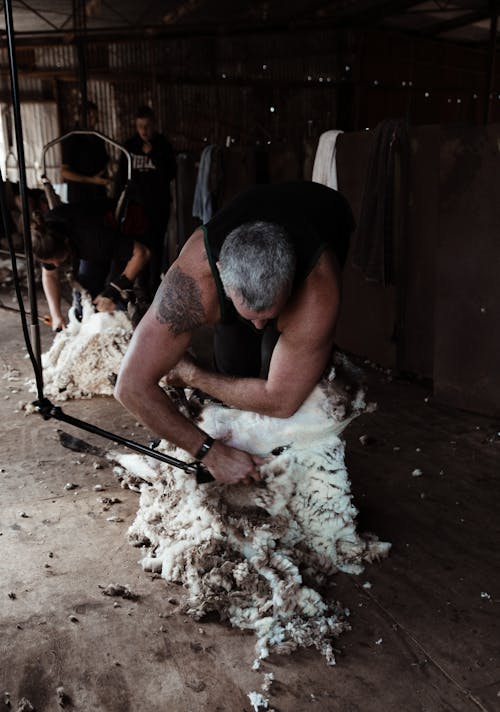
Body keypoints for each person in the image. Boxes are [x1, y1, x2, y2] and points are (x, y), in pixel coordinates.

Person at [115, 181, 355, 486]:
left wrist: (192, 374)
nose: (258, 326)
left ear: (291, 282)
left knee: (279, 381)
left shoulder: (317, 288)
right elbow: (130, 387)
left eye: (268, 316)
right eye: (250, 316)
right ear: (219, 273)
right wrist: (211, 453)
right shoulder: (191, 284)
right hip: (247, 244)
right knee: (232, 363)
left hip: (326, 214)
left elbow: (282, 400)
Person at [31, 198, 150, 331]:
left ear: (66, 243)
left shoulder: (93, 240)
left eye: (58, 259)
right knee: (84, 301)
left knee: (116, 305)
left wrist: (113, 290)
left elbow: (142, 253)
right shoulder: (45, 234)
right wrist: (56, 315)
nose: (56, 265)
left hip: (122, 229)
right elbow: (49, 275)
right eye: (50, 262)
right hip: (87, 243)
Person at [118, 105, 177, 301]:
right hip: (136, 207)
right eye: (140, 126)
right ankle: (141, 287)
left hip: (158, 206)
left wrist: (153, 155)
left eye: (148, 126)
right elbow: (120, 178)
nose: (144, 131)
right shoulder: (130, 146)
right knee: (140, 247)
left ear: (154, 125)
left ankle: (155, 288)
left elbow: (171, 174)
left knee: (157, 246)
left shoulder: (163, 146)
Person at [61, 101, 111, 204]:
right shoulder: (72, 139)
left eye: (95, 117)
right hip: (80, 197)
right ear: (81, 117)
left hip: (98, 194)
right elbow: (65, 172)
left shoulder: (98, 138)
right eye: (92, 117)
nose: (95, 120)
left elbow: (103, 164)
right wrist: (92, 180)